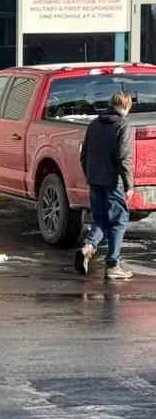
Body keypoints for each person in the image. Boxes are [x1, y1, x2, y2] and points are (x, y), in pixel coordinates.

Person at [75, 91, 136, 280]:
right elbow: (123, 158)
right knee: (119, 220)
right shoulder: (123, 126)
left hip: (95, 181)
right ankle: (112, 265)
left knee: (100, 219)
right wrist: (129, 185)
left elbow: (84, 155)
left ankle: (88, 246)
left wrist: (90, 176)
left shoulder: (94, 124)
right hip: (113, 183)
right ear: (126, 106)